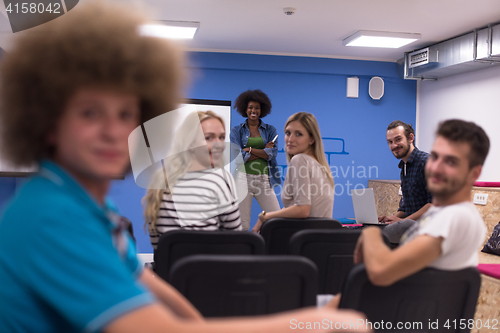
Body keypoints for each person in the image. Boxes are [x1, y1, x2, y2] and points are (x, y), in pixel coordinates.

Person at [0, 2, 369, 332]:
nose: (114, 131)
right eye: (90, 112)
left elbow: (167, 300)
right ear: (47, 120)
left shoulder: (92, 208)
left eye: (126, 114)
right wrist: (312, 323)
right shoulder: (52, 217)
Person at [354, 119, 488, 286]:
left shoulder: (455, 218)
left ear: (474, 173)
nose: (435, 167)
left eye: (451, 161)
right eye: (435, 156)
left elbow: (381, 271)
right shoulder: (440, 214)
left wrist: (370, 233)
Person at [143, 111, 242, 250]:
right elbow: (236, 242)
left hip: (169, 270)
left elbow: (158, 244)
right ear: (190, 143)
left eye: (221, 137)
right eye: (209, 138)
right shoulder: (221, 179)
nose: (219, 144)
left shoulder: (159, 181)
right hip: (211, 270)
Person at [252, 112, 334, 233]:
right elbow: (297, 206)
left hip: (302, 242)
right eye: (288, 133)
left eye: (298, 134)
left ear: (311, 139)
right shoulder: (321, 167)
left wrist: (264, 217)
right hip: (319, 243)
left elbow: (303, 209)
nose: (290, 139)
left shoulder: (300, 160)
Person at [230, 90, 281, 231]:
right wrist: (263, 151)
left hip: (264, 179)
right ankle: (243, 251)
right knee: (242, 224)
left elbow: (272, 154)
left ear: (262, 110)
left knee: (277, 217)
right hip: (242, 179)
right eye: (250, 107)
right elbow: (239, 158)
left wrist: (250, 150)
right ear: (245, 109)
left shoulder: (270, 130)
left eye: (257, 107)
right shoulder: (236, 131)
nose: (254, 110)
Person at [378, 120, 433, 243]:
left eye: (398, 139)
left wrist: (402, 222)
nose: (394, 145)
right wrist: (391, 219)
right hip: (412, 233)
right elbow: (405, 207)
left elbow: (433, 204)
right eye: (390, 142)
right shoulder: (403, 166)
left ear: (411, 138)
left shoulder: (427, 163)